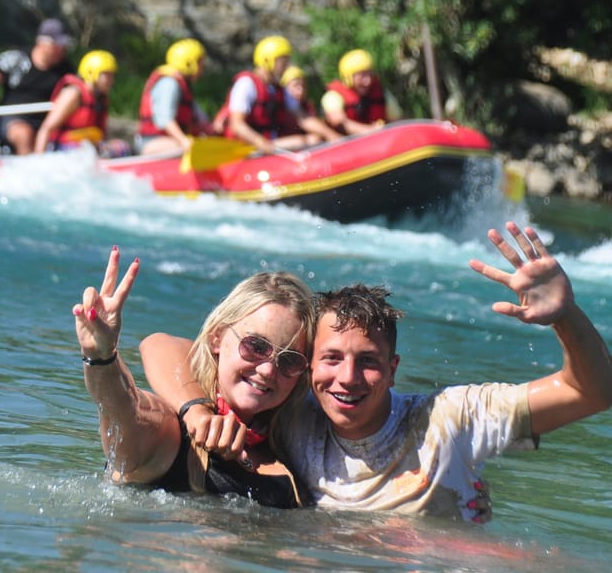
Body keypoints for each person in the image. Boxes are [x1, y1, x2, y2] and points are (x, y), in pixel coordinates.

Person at [139, 222, 612, 521]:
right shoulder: (296, 416)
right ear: (306, 369)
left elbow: (590, 392)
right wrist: (196, 409)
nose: (346, 378)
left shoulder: (451, 419)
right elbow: (163, 344)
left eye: (367, 362)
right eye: (331, 359)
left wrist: (566, 317)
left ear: (392, 370)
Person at [73, 246, 315, 508]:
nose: (268, 370)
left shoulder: (292, 449)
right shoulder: (173, 433)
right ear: (216, 339)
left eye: (289, 360)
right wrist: (102, 358)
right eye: (255, 346)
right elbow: (126, 410)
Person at [213, 36, 340, 153]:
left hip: (270, 142)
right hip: (246, 146)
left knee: (314, 139)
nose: (286, 66)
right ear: (267, 60)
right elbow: (237, 124)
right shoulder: (246, 84)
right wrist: (261, 143)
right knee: (305, 141)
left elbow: (303, 118)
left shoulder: (277, 89)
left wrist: (331, 135)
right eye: (282, 61)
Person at [0, 18, 74, 155]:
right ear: (42, 43)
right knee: (24, 135)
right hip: (12, 119)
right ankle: (29, 170)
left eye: (63, 46)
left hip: (47, 122)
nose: (61, 50)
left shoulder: (66, 70)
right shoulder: (17, 59)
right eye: (57, 45)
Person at [33, 50, 129, 158]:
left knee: (122, 148)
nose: (111, 80)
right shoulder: (73, 94)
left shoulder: (100, 99)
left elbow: (100, 135)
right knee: (93, 152)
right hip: (62, 148)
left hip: (86, 147)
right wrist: (38, 160)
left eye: (112, 75)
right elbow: (46, 129)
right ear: (91, 73)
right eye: (106, 75)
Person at [135, 39, 213, 156]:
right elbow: (164, 120)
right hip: (151, 142)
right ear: (189, 63)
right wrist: (183, 140)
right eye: (200, 62)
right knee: (196, 147)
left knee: (205, 143)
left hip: (168, 140)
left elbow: (201, 120)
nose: (202, 67)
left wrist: (213, 132)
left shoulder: (184, 87)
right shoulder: (169, 83)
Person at [321, 49, 401, 135]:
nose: (368, 81)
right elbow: (338, 122)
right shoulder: (333, 96)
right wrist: (372, 130)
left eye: (370, 74)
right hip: (345, 143)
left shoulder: (382, 94)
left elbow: (398, 121)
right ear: (348, 78)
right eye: (362, 76)